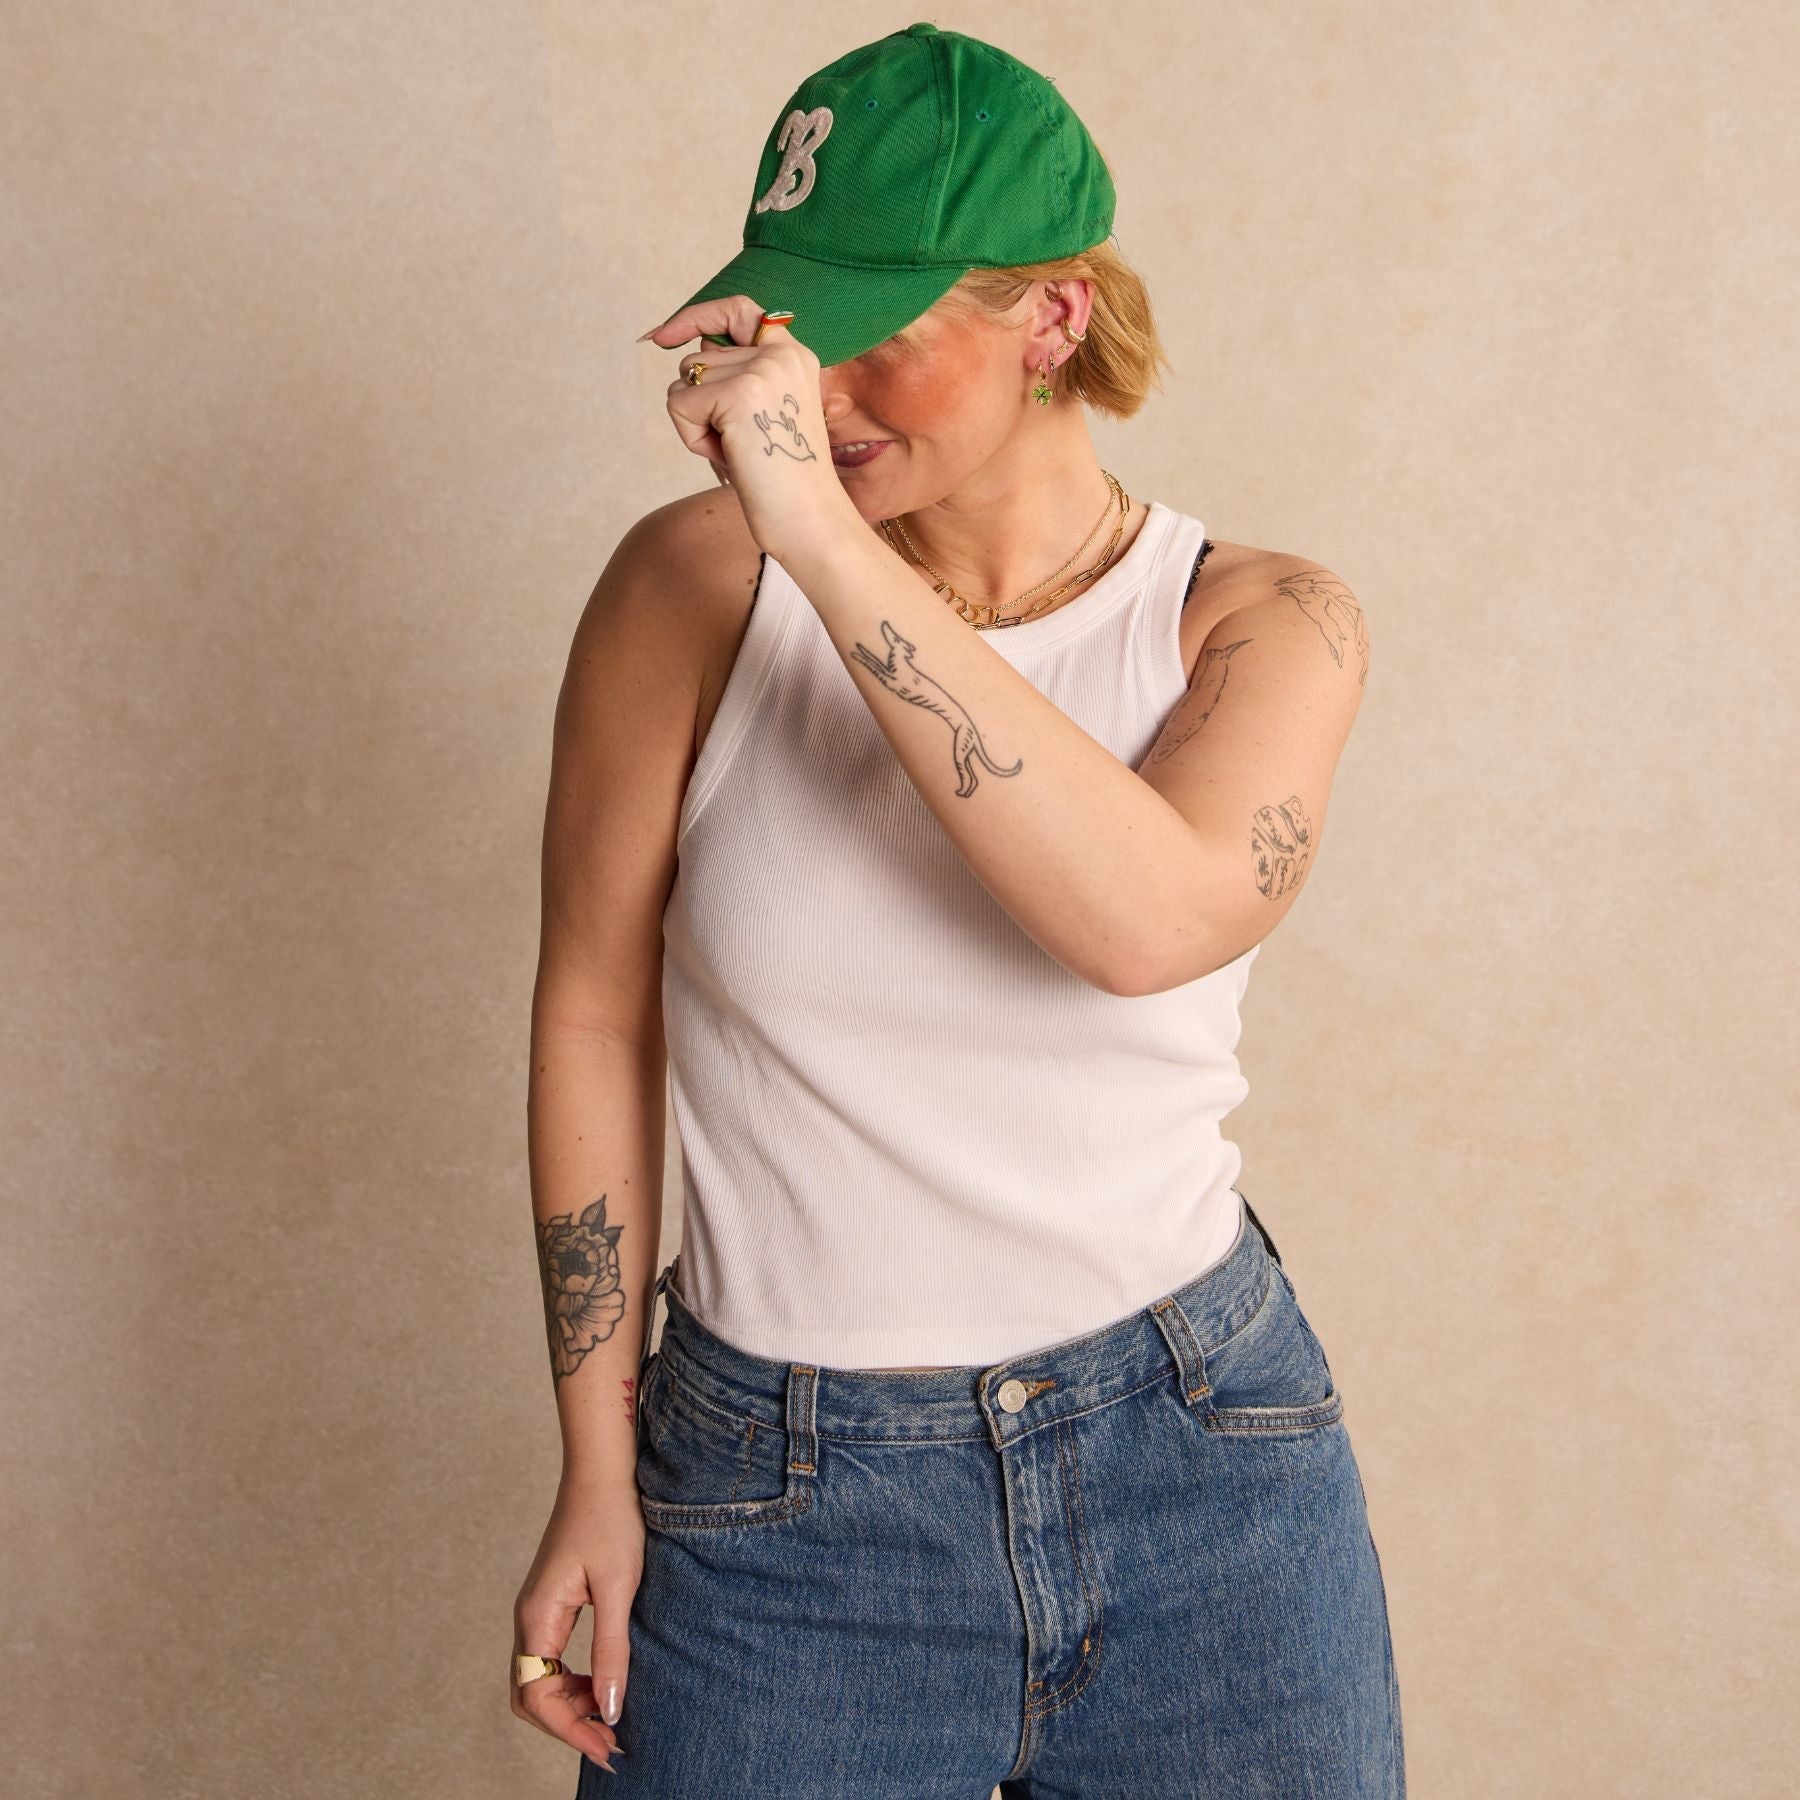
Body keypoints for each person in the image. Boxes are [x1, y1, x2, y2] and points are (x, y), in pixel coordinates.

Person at [511, 22, 1401, 1797]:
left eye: (874, 341)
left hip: (1201, 1467)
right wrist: (594, 1469)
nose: (810, 397)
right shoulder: (688, 590)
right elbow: (592, 1009)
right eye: (787, 333)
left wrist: (824, 544)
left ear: (1052, 317)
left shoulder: (1260, 623)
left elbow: (1144, 923)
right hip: (781, 1500)